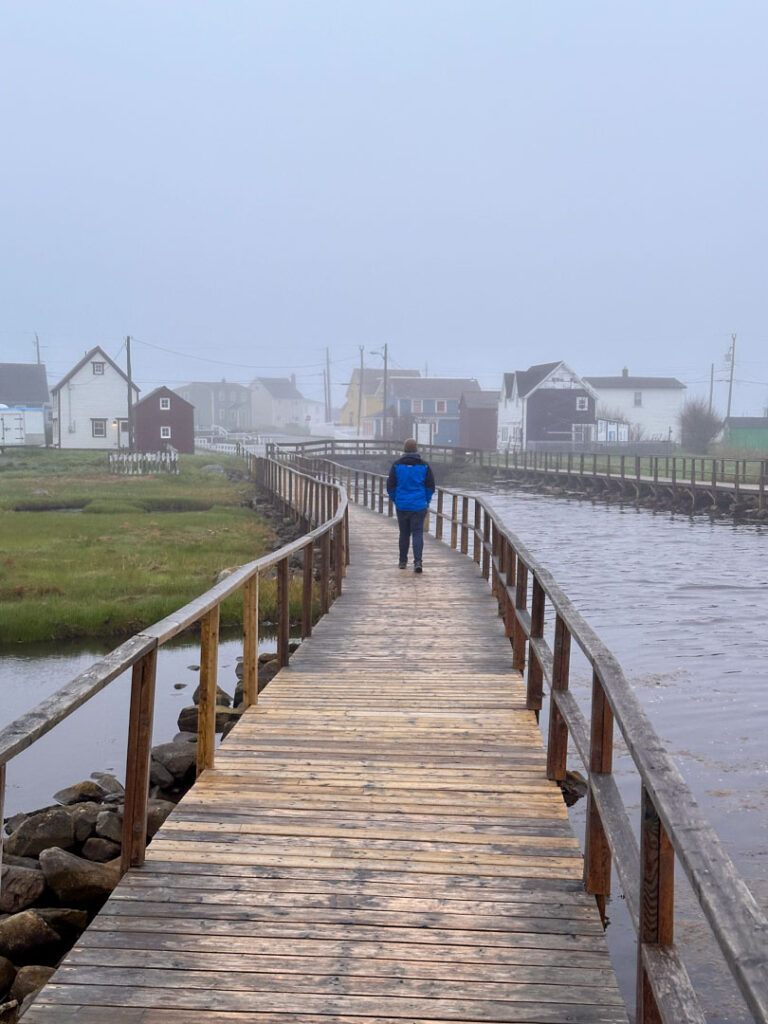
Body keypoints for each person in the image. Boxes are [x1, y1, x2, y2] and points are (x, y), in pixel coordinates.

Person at [386, 438, 435, 573]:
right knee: (417, 533)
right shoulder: (424, 466)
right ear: (416, 449)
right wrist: (426, 500)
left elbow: (390, 485)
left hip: (402, 505)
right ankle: (418, 562)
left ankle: (402, 561)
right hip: (419, 505)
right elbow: (430, 486)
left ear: (404, 449)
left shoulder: (396, 465)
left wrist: (396, 499)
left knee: (404, 533)